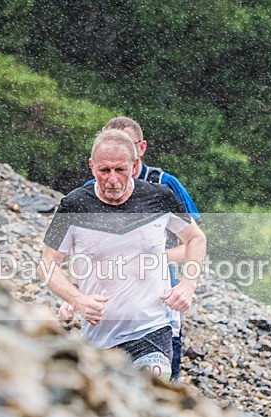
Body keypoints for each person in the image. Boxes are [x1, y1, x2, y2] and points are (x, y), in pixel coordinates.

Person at [41, 129, 206, 379]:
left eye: (120, 170)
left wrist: (188, 284)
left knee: (150, 390)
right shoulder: (74, 206)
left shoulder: (158, 198)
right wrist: (77, 300)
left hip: (151, 327)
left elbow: (196, 238)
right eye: (104, 170)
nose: (112, 180)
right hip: (99, 335)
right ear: (91, 166)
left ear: (134, 164)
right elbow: (48, 264)